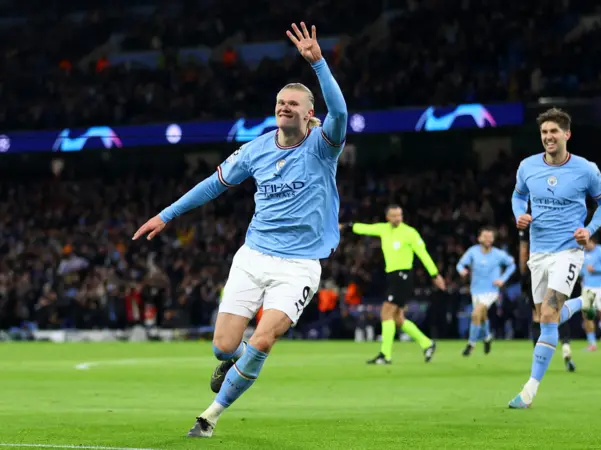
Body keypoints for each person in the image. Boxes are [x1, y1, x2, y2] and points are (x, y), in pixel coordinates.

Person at [133, 22, 348, 437]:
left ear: (309, 114)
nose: (284, 107)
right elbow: (213, 185)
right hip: (253, 257)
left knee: (264, 340)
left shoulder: (323, 144)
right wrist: (167, 214)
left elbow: (340, 113)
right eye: (280, 102)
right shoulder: (256, 149)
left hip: (300, 264)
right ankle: (231, 363)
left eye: (293, 104)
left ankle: (209, 416)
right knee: (224, 346)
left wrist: (318, 64)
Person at [509, 107, 601, 408]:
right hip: (538, 251)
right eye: (544, 132)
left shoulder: (585, 169)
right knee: (545, 317)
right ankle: (584, 302)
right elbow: (518, 196)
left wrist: (589, 229)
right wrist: (519, 215)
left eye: (554, 131)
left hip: (568, 250)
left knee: (549, 317)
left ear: (567, 134)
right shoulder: (527, 166)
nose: (548, 137)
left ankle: (529, 391)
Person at [341, 205, 446, 365]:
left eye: (400, 215)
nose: (397, 218)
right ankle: (427, 343)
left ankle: (385, 355)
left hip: (403, 276)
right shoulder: (384, 229)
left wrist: (435, 274)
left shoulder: (409, 233)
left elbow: (423, 254)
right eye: (394, 216)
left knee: (386, 312)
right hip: (392, 277)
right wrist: (346, 226)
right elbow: (365, 228)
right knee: (397, 318)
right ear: (387, 217)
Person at [520, 228, 578, 372]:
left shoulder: (530, 224)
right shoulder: (562, 222)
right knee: (556, 310)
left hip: (537, 269)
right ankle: (565, 345)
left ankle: (538, 355)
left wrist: (524, 274)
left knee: (538, 316)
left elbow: (523, 251)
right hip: (560, 269)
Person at [457, 226, 516, 356]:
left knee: (476, 313)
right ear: (479, 238)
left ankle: (471, 344)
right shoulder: (473, 251)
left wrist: (502, 279)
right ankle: (488, 337)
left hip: (491, 291)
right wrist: (462, 270)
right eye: (486, 236)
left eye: (491, 237)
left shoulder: (498, 254)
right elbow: (460, 264)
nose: (489, 239)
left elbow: (512, 264)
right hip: (476, 290)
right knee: (482, 317)